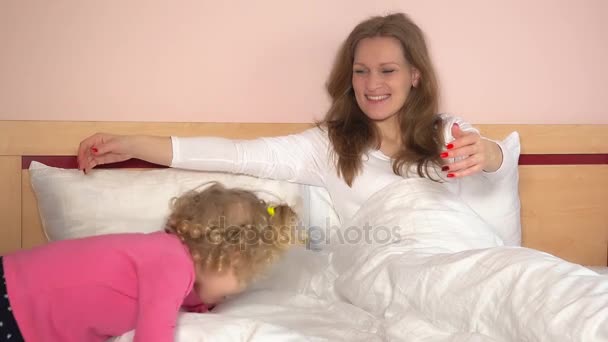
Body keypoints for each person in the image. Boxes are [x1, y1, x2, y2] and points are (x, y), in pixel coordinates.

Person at [76, 12, 505, 225]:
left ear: (414, 76)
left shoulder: (447, 133)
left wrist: (488, 154)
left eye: (387, 70)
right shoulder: (329, 146)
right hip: (389, 269)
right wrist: (131, 145)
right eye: (361, 71)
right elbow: (236, 155)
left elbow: (492, 161)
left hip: (461, 257)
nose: (372, 84)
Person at [0, 182, 299, 342]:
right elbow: (154, 332)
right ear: (229, 258)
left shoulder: (168, 260)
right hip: (15, 304)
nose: (236, 292)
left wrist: (202, 305)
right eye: (243, 277)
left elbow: (187, 298)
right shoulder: (172, 264)